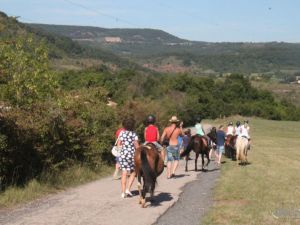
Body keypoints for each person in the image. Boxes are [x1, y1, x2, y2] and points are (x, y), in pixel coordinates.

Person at [117, 118, 139, 198]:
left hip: (123, 155)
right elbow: (136, 145)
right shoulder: (134, 134)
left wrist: (119, 154)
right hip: (132, 156)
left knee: (124, 173)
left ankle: (123, 193)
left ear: (124, 125)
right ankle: (128, 189)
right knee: (133, 172)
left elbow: (119, 144)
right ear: (132, 126)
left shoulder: (121, 133)